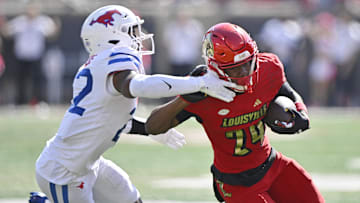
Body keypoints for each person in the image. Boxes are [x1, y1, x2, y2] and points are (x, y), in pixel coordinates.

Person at [33, 5, 237, 203]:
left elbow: (110, 120)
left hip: (88, 163)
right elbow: (135, 86)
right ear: (112, 35)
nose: (138, 36)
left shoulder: (97, 66)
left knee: (131, 198)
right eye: (132, 30)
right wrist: (198, 83)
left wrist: (150, 130)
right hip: (64, 172)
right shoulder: (115, 59)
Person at [145, 23, 325, 203]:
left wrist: (300, 111)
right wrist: (184, 98)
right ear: (214, 66)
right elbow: (152, 126)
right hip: (235, 183)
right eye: (235, 68)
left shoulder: (268, 68)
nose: (245, 72)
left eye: (248, 63)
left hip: (273, 165)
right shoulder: (201, 89)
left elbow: (288, 93)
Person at [2, 3, 58, 105]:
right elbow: (7, 32)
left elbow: (52, 33)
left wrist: (56, 26)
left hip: (36, 55)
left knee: (38, 80)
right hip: (22, 56)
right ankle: (20, 102)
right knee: (21, 80)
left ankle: (38, 101)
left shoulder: (43, 21)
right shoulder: (20, 21)